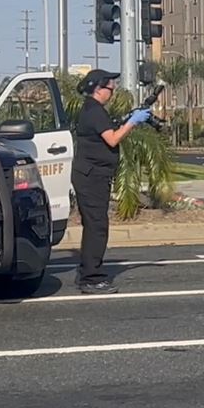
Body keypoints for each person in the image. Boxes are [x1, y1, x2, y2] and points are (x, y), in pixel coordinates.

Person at [72, 70, 151, 294]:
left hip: (93, 175)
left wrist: (127, 118)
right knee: (97, 227)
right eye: (110, 87)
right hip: (91, 177)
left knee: (94, 226)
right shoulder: (94, 111)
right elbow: (113, 139)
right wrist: (133, 123)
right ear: (98, 89)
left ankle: (88, 272)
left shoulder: (94, 111)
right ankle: (91, 278)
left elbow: (109, 131)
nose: (113, 91)